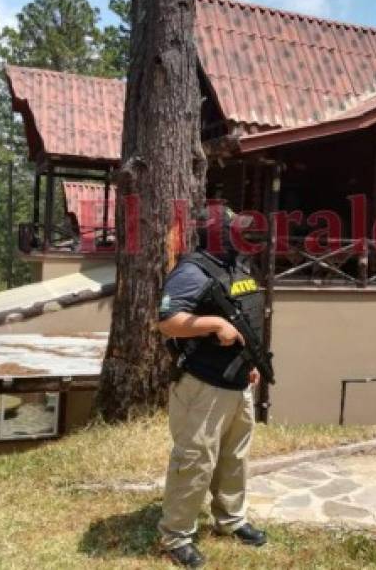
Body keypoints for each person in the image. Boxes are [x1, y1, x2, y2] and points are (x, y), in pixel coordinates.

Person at [157, 206, 267, 568]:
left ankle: (231, 519)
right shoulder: (192, 271)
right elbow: (169, 322)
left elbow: (247, 314)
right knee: (195, 460)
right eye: (234, 230)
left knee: (234, 457)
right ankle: (176, 536)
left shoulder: (238, 267)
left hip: (237, 380)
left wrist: (251, 363)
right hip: (203, 383)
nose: (242, 236)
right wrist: (214, 324)